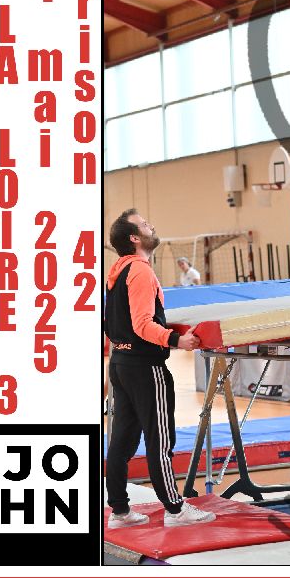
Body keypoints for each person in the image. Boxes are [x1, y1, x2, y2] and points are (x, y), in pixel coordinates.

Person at [104, 209, 216, 528]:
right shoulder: (140, 270)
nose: (151, 226)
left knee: (122, 441)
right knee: (160, 440)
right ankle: (175, 510)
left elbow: (120, 322)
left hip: (121, 363)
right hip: (144, 367)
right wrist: (177, 339)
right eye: (144, 225)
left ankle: (120, 512)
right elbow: (142, 324)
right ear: (135, 238)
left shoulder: (117, 271)